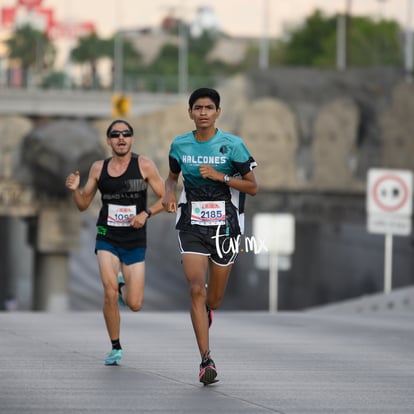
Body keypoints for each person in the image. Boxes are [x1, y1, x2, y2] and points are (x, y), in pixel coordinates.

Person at [162, 88, 258, 385]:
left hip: (225, 226)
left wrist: (222, 177)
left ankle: (208, 312)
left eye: (209, 108)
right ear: (190, 112)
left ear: (218, 112)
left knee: (213, 298)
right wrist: (168, 193)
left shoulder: (233, 145)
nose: (203, 112)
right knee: (195, 288)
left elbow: (253, 187)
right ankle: (206, 360)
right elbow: (173, 177)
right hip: (191, 223)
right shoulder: (180, 145)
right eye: (198, 108)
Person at [65, 119, 165, 366]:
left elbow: (167, 198)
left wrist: (146, 214)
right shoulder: (99, 168)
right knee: (109, 293)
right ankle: (115, 347)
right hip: (106, 234)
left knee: (135, 304)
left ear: (132, 139)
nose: (121, 138)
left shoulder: (144, 165)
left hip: (134, 239)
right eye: (116, 134)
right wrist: (75, 190)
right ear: (108, 140)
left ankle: (123, 287)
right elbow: (83, 205)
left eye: (126, 134)